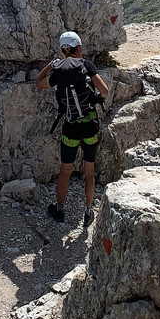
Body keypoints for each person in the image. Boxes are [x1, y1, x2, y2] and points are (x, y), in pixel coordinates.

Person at [33, 31, 108, 223]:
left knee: (65, 170)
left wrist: (50, 65)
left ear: (63, 50)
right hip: (90, 126)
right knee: (89, 170)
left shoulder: (58, 71)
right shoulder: (87, 66)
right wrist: (98, 99)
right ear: (79, 48)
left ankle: (59, 210)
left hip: (70, 128)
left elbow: (38, 83)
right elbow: (104, 91)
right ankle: (88, 212)